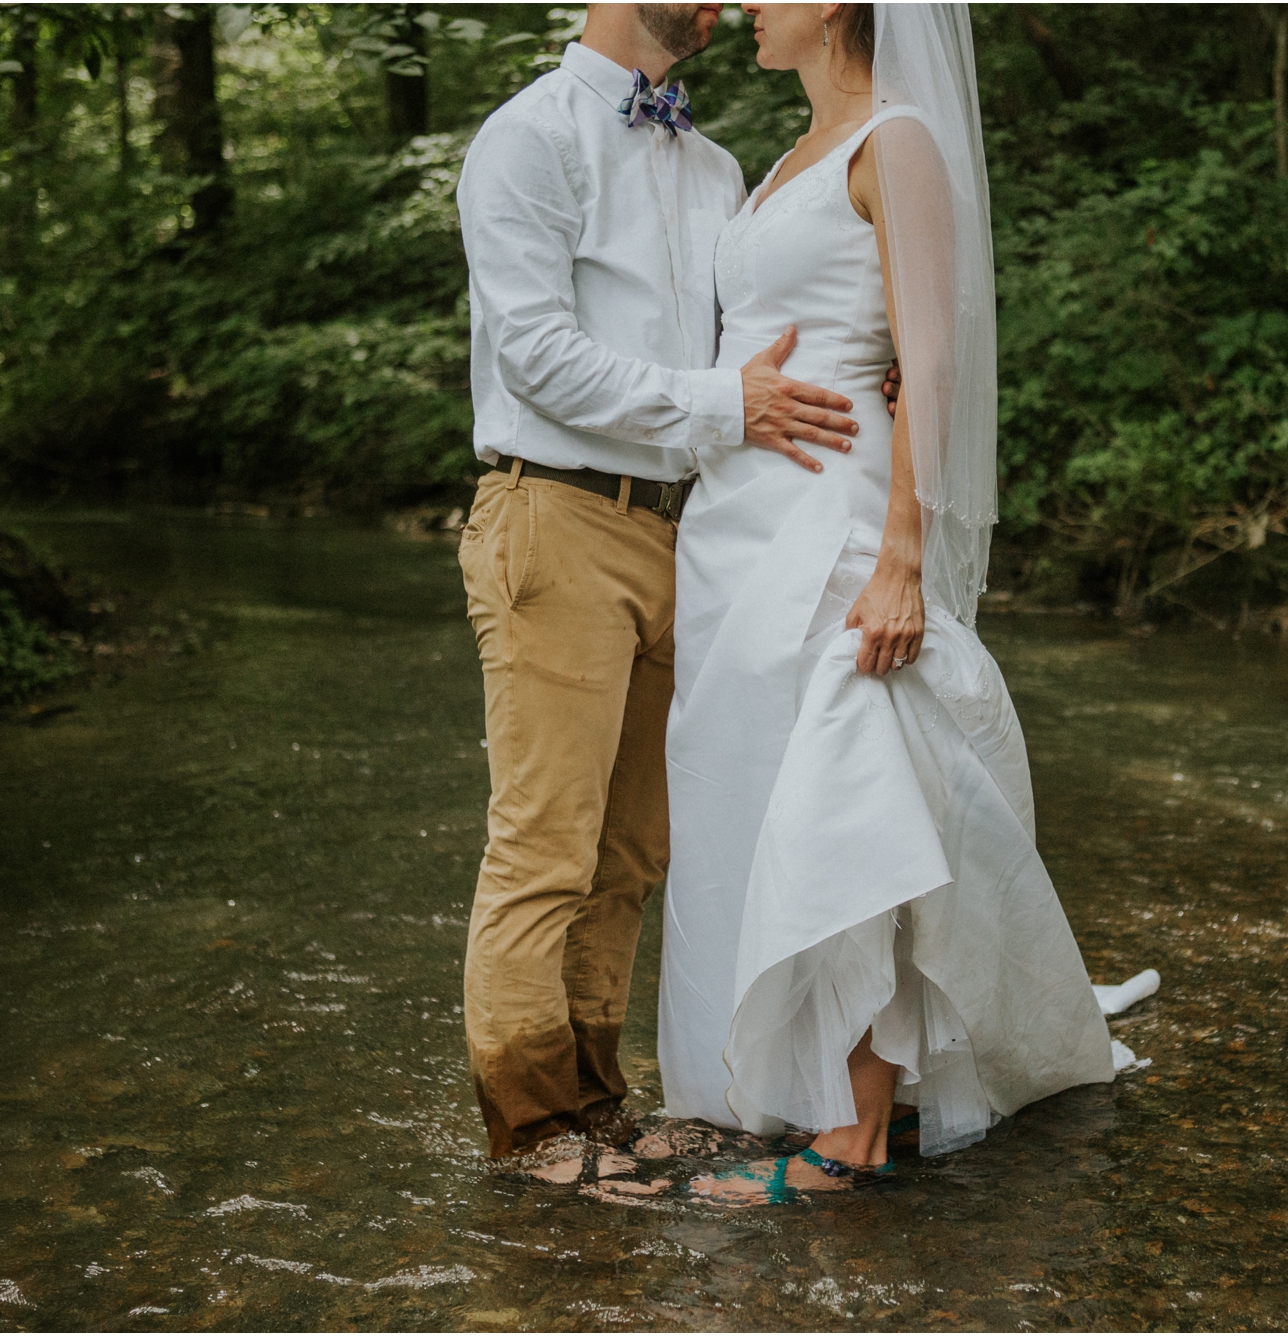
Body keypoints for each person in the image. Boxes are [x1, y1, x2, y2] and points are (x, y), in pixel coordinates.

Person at [659, 1, 1124, 1203]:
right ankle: (810, 1086)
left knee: (843, 795)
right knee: (758, 801)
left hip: (840, 520)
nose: (748, 5)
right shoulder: (788, 156)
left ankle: (854, 1130)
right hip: (735, 535)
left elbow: (929, 356)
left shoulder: (895, 140)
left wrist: (902, 553)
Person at [451, 2, 870, 1169]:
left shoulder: (718, 162)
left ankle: (596, 1100)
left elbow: (765, 337)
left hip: (687, 533)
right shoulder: (527, 138)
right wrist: (725, 406)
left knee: (633, 849)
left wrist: (863, 350)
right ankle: (530, 1125)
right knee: (545, 841)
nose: (733, 3)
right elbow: (532, 351)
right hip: (553, 512)